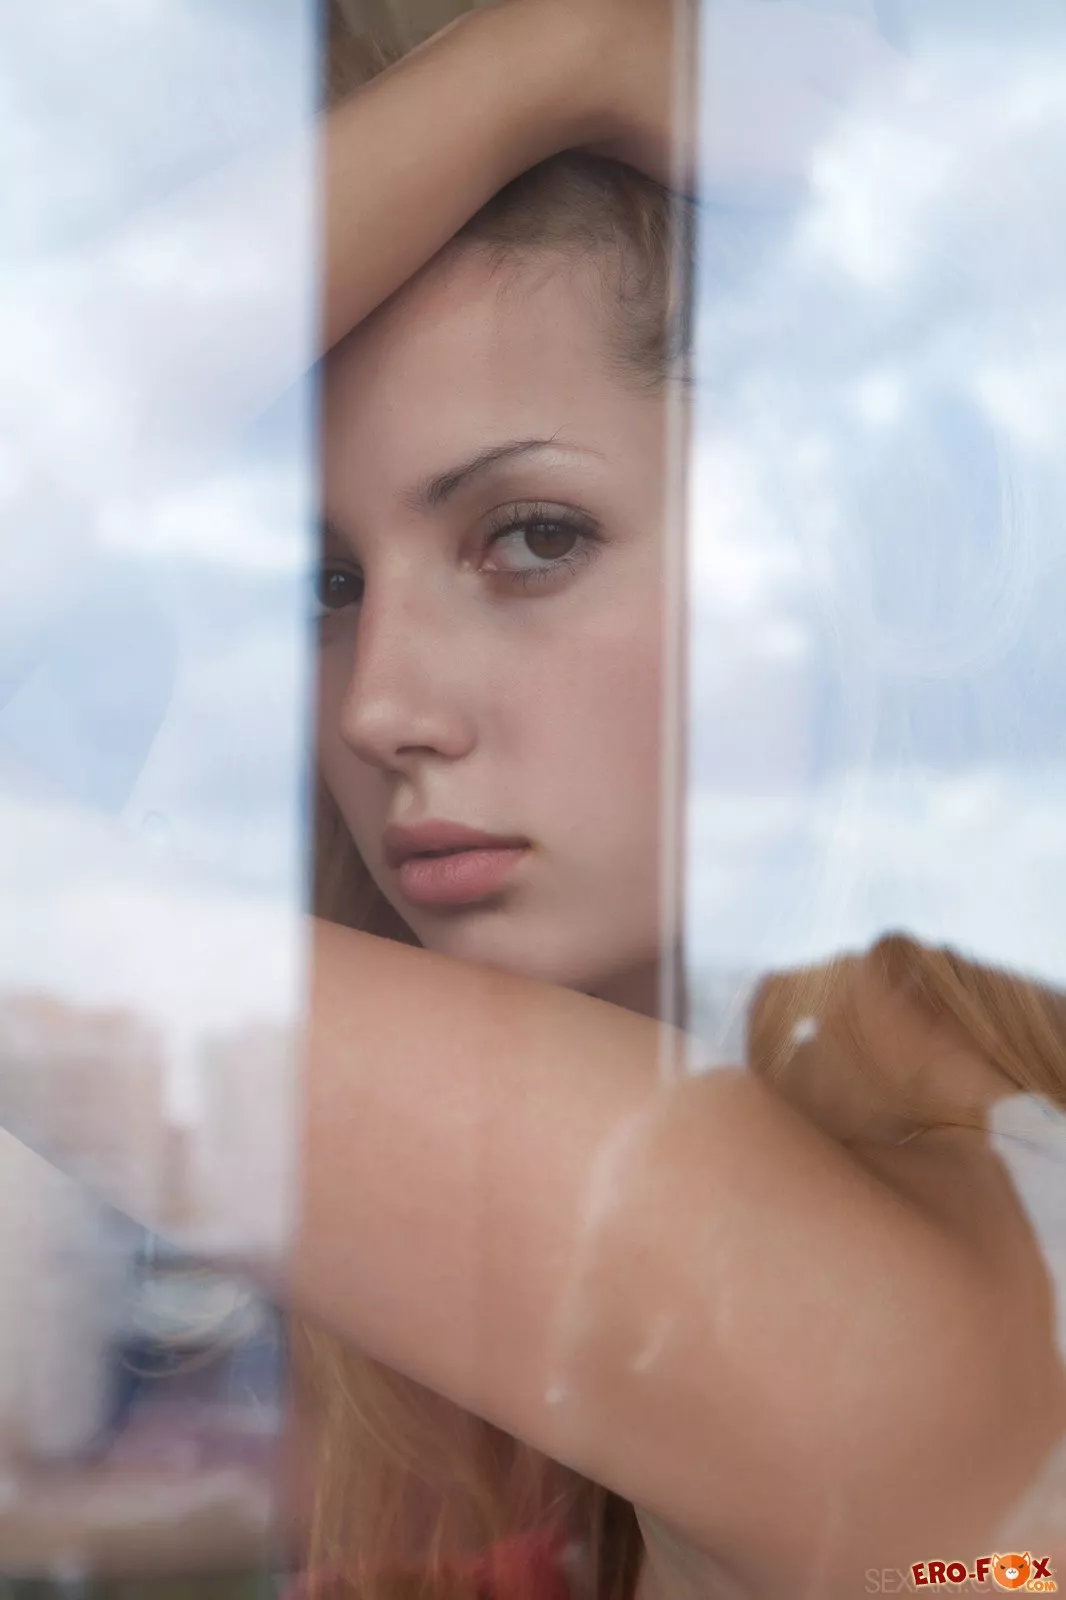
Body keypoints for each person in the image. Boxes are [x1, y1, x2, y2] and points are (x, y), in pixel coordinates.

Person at [2, 2, 1064, 1597]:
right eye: (327, 583)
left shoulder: (834, 1307)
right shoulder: (912, 1221)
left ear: (850, 557)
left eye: (532, 537)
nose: (377, 706)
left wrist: (555, 62)